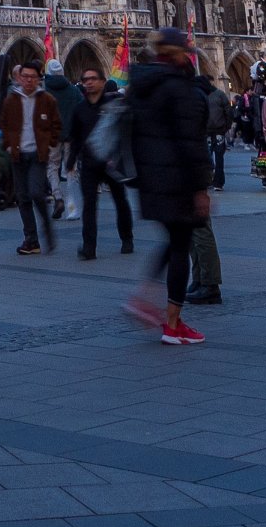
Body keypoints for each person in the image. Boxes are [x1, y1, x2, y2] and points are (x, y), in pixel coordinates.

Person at [126, 30, 211, 344]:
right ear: (178, 53)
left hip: (150, 179)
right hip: (179, 180)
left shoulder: (141, 85)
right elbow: (192, 142)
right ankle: (172, 324)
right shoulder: (179, 87)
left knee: (172, 241)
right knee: (180, 247)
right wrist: (201, 187)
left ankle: (143, 297)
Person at [66, 64, 133, 260]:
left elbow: (125, 132)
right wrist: (70, 161)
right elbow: (76, 137)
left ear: (102, 82)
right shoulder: (79, 109)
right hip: (89, 164)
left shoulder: (113, 105)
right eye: (85, 80)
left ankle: (127, 238)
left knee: (120, 201)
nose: (89, 83)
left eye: (93, 78)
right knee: (89, 205)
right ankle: (89, 247)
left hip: (112, 163)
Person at [0, 61, 62, 256]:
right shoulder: (11, 100)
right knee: (22, 197)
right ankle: (31, 239)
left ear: (38, 79)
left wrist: (49, 144)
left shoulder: (47, 100)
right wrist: (8, 145)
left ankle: (47, 226)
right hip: (17, 154)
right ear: (19, 78)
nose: (28, 80)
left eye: (32, 77)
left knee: (36, 193)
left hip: (37, 154)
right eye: (24, 76)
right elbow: (5, 125)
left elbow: (56, 125)